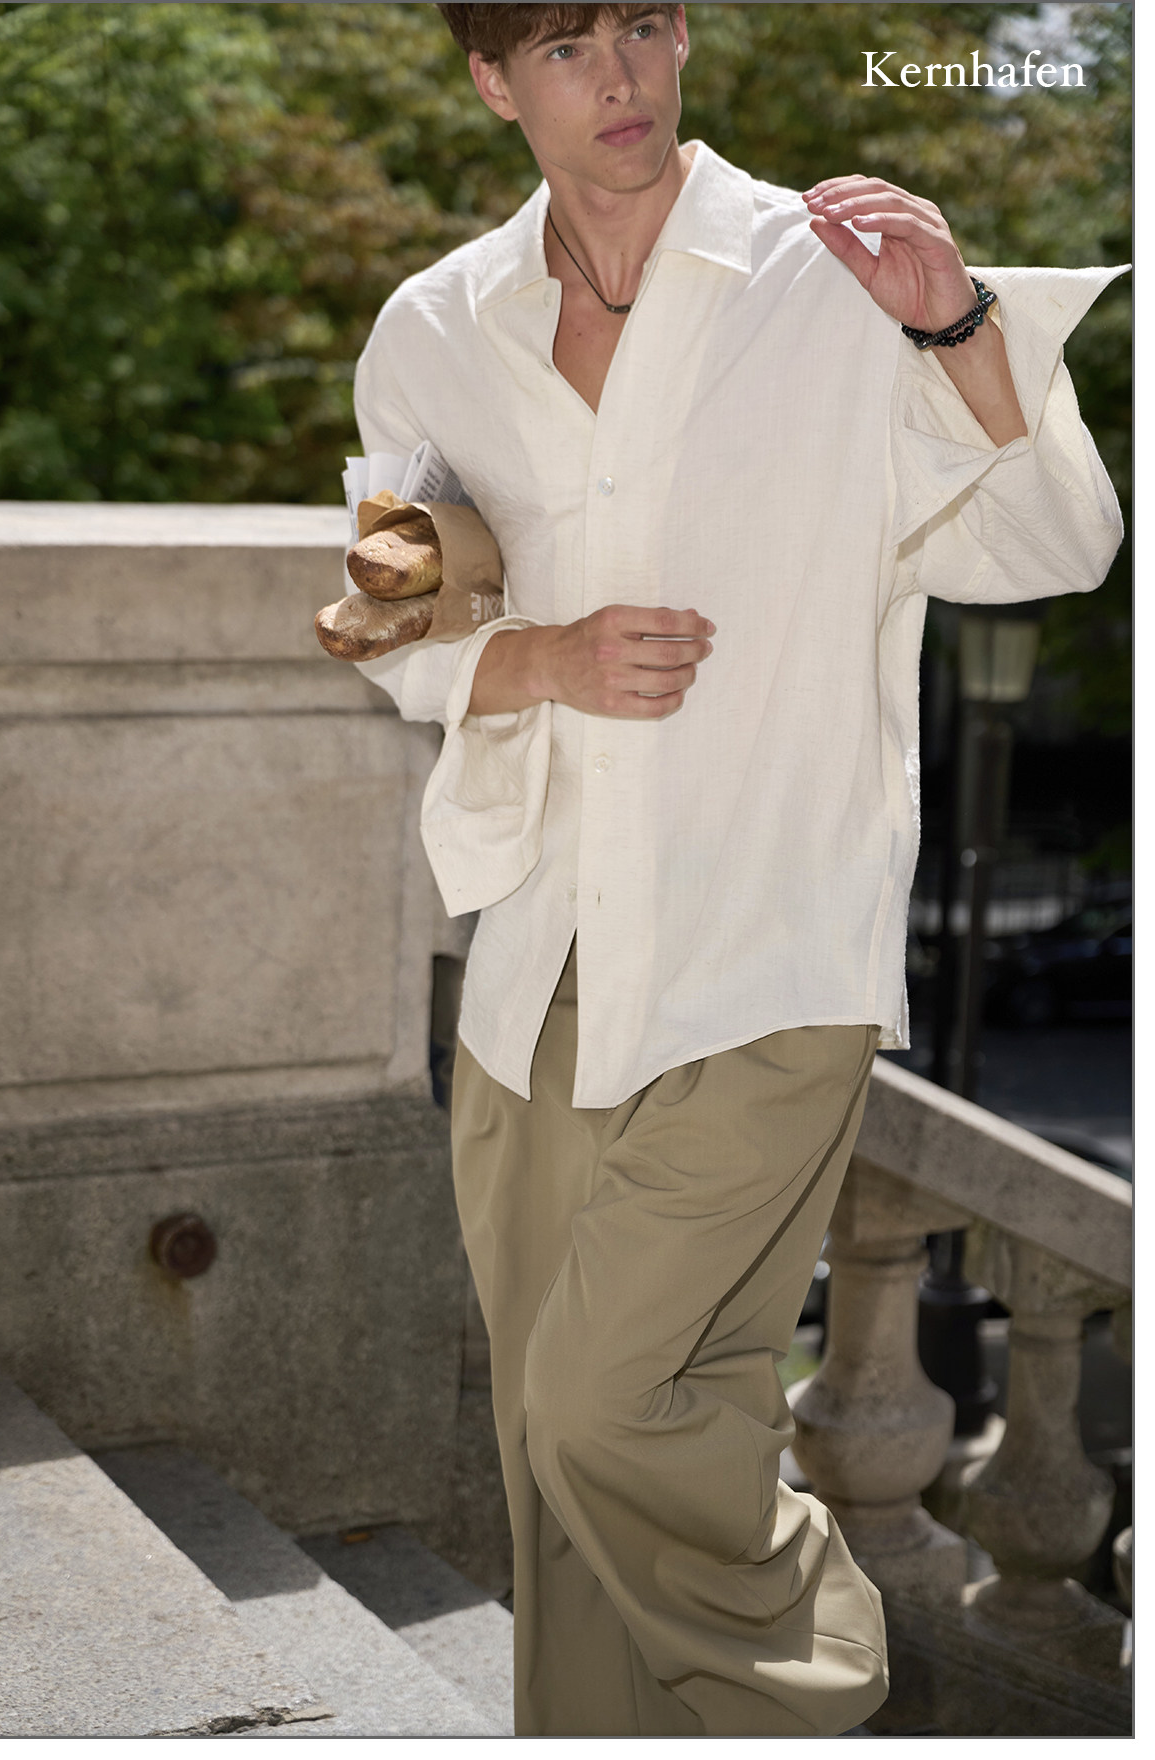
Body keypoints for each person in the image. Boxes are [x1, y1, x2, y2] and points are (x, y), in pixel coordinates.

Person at [351, 3, 1123, 1736]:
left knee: (606, 1408)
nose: (616, 75)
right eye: (564, 46)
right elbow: (392, 616)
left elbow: (1059, 543)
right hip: (538, 967)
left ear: (684, 35)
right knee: (552, 1457)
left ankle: (813, 1689)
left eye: (640, 24)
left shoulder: (833, 279)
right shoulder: (434, 330)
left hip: (770, 955)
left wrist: (961, 322)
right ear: (493, 80)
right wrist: (537, 659)